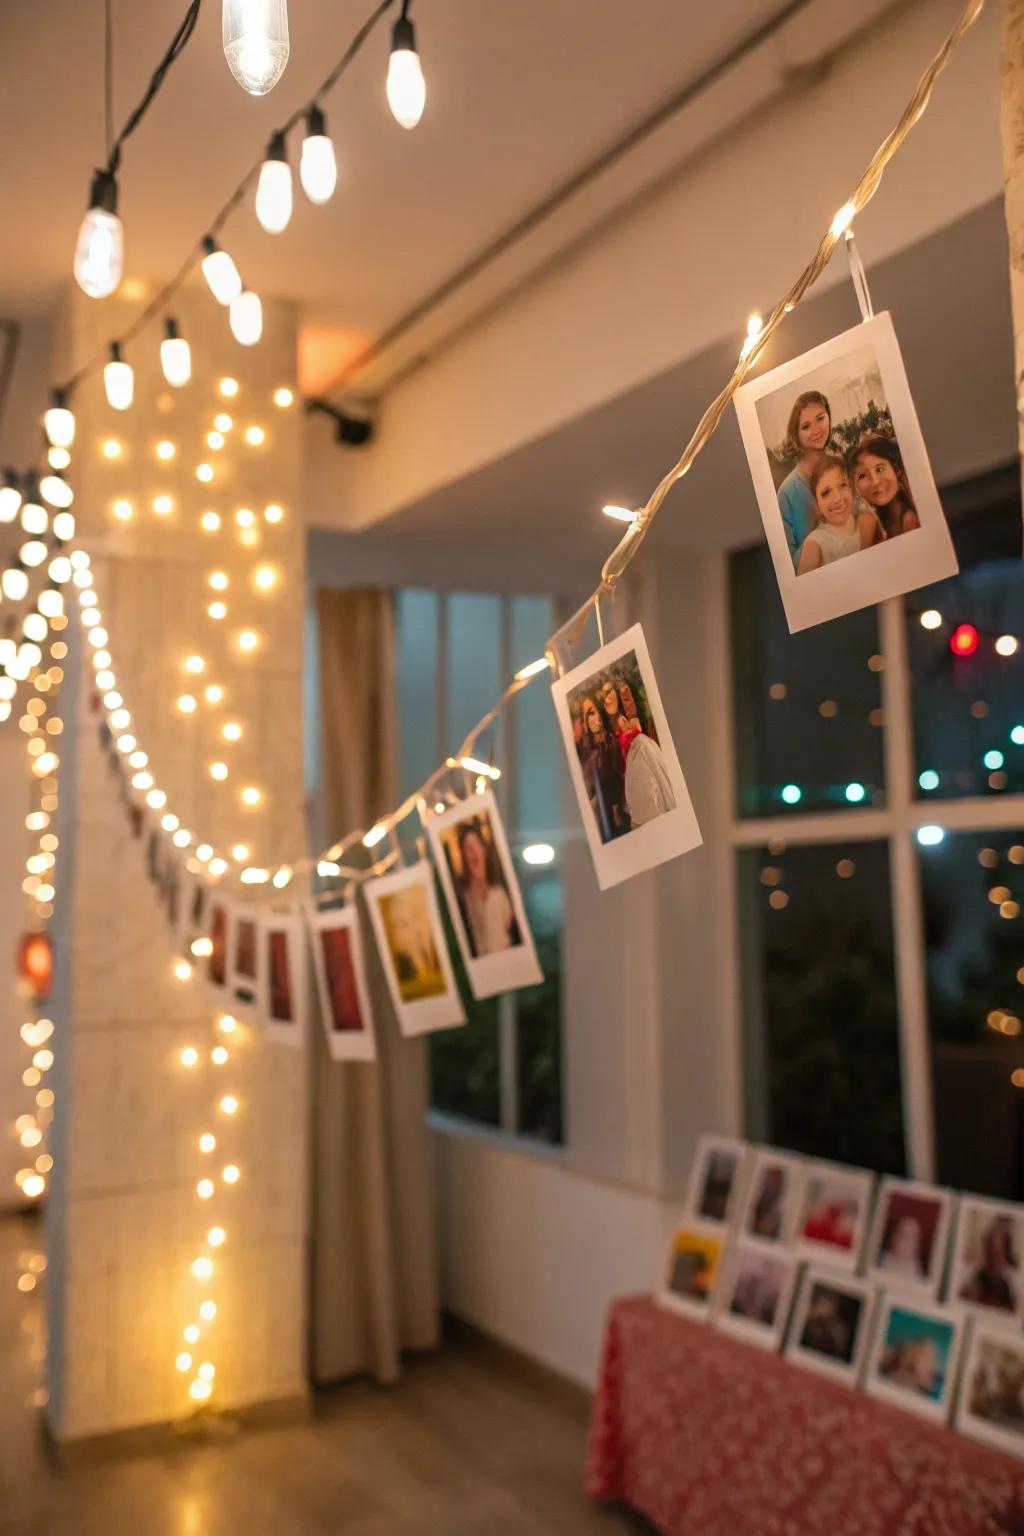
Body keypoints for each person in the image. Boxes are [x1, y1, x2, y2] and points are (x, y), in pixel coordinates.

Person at [600, 676, 676, 829]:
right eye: (603, 697)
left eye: (609, 692)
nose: (606, 699)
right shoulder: (610, 741)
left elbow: (661, 774)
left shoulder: (644, 735)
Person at [796, 456, 884, 574]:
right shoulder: (814, 544)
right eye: (826, 493)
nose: (837, 498)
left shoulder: (868, 522)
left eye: (843, 485)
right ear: (817, 504)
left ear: (852, 488)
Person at [776, 391, 833, 570]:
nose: (816, 430)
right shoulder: (786, 493)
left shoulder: (843, 468)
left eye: (820, 418)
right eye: (806, 426)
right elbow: (788, 567)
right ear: (796, 434)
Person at [456, 821, 519, 957]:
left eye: (475, 845)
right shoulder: (464, 898)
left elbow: (511, 925)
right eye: (467, 848)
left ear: (483, 849)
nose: (473, 851)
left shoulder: (500, 889)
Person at [847, 433, 919, 539]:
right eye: (862, 476)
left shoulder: (910, 521)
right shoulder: (881, 523)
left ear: (896, 469)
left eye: (879, 469)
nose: (875, 481)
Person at [578, 695, 628, 841]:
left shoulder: (613, 741)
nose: (589, 719)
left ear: (600, 713)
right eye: (586, 716)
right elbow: (587, 785)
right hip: (600, 818)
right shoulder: (586, 752)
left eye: (592, 713)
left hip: (619, 807)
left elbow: (621, 774)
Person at [958, 1215, 1019, 1312]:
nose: (991, 1260)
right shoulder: (973, 1272)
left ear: (1005, 1255)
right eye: (988, 1252)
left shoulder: (1013, 1281)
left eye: (996, 1254)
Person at [879, 1212, 928, 1281]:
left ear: (917, 1246)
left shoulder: (916, 1270)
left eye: (911, 1237)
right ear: (893, 1238)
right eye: (902, 1235)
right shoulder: (881, 1260)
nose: (905, 1241)